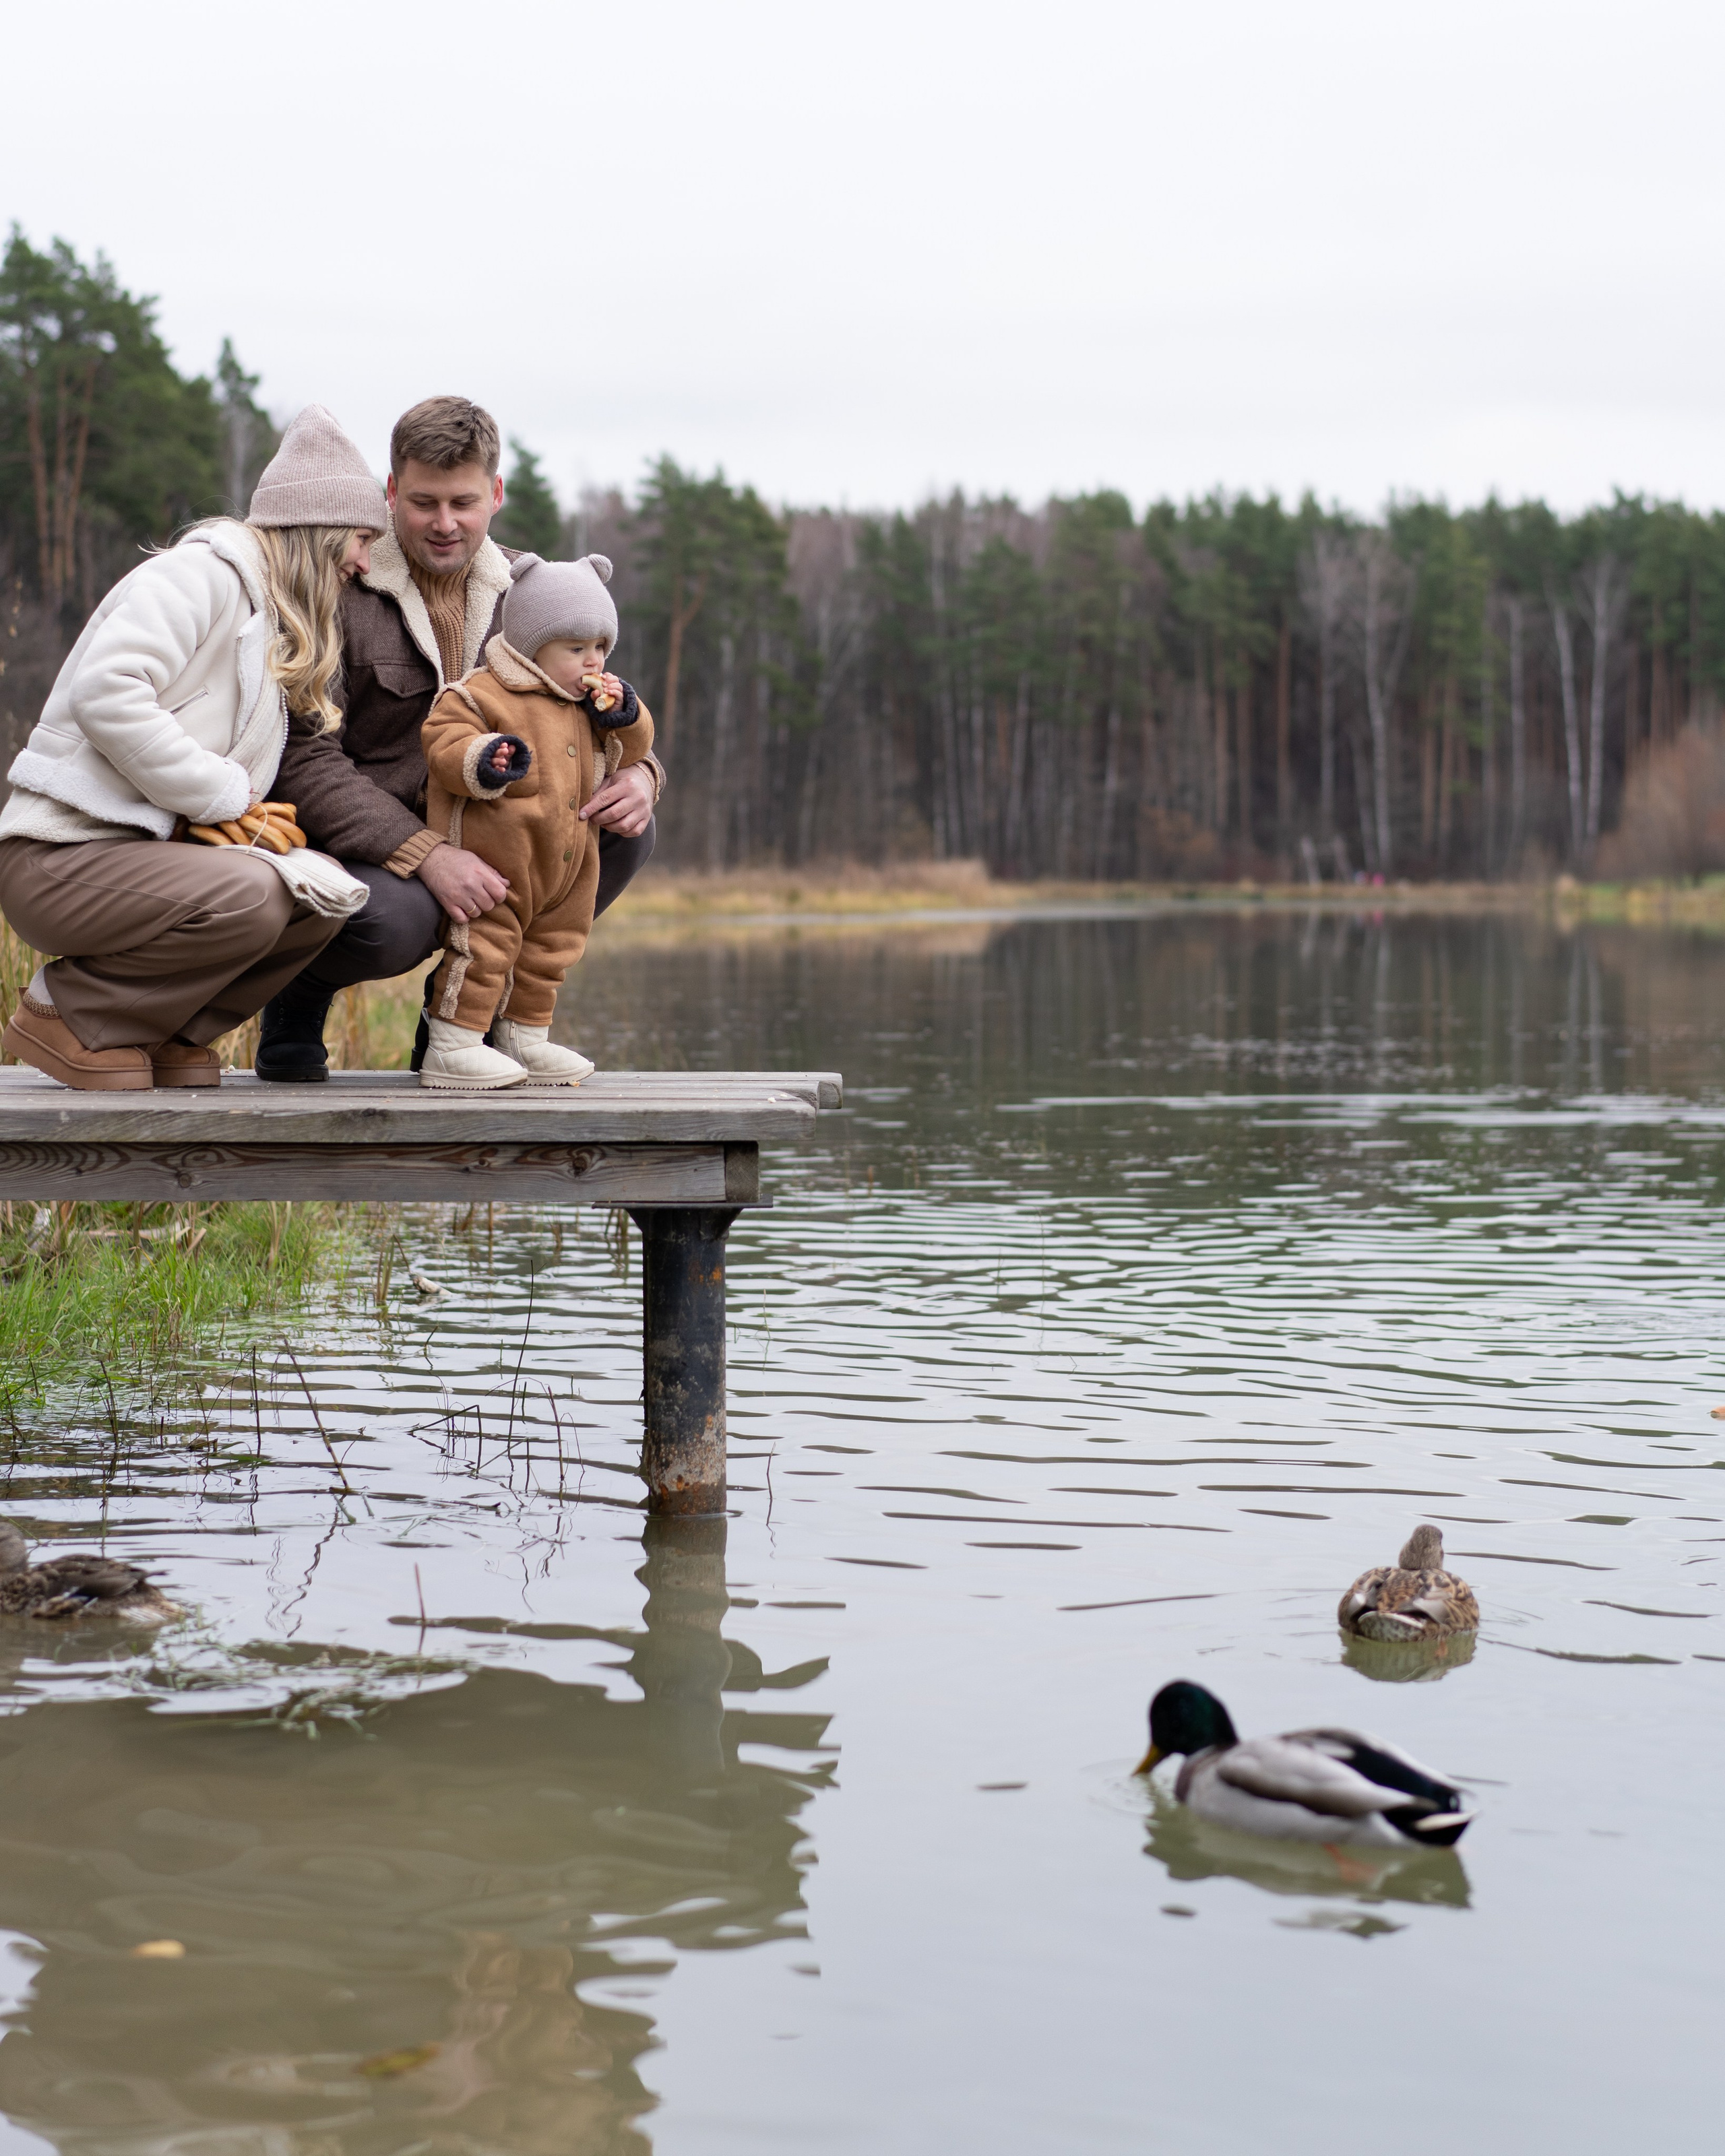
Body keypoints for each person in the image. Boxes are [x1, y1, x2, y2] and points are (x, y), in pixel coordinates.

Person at [258, 397, 664, 1081]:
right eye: (423, 502)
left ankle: (465, 1023)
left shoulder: (537, 591)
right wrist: (425, 854)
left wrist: (643, 776)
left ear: (496, 494)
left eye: (463, 502)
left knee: (626, 833)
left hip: (502, 828)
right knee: (396, 921)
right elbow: (306, 758)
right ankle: (299, 991)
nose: (444, 524)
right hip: (371, 840)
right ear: (390, 493)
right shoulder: (341, 581)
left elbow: (602, 709)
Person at [0, 408, 386, 1091]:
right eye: (361, 538)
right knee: (256, 894)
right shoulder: (199, 577)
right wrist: (223, 796)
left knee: (322, 891)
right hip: (56, 858)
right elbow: (107, 693)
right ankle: (68, 1015)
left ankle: (166, 1031)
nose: (364, 560)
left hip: (141, 863)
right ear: (320, 529)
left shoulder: (275, 622)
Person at [417, 550, 656, 1089]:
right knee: (483, 947)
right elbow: (443, 744)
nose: (593, 662)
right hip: (498, 864)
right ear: (531, 646)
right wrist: (485, 757)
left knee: (552, 950)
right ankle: (452, 1046)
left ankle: (526, 1036)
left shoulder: (590, 703)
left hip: (568, 866)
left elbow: (640, 745)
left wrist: (627, 715)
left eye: (601, 647)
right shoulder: (481, 693)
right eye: (576, 649)